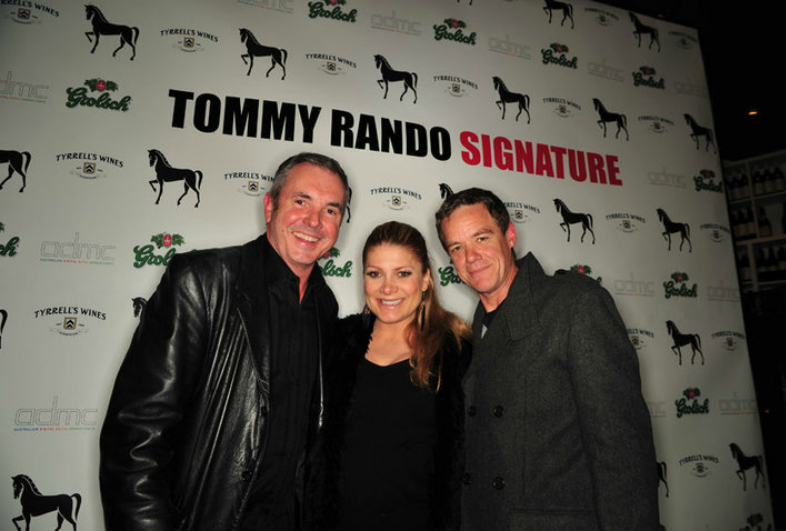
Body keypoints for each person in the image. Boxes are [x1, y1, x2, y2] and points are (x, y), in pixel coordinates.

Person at [99, 152, 350, 531]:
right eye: (301, 201)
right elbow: (135, 438)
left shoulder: (325, 306)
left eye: (331, 210)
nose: (314, 221)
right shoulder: (202, 281)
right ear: (270, 206)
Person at [435, 188, 659, 531]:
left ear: (510, 235)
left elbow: (621, 451)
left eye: (481, 238)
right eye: (457, 248)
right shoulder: (472, 331)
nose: (471, 257)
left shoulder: (575, 305)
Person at [308, 221, 471, 531]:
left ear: (425, 279)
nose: (387, 288)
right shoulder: (336, 344)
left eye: (403, 273)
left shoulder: (456, 353)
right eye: (375, 274)